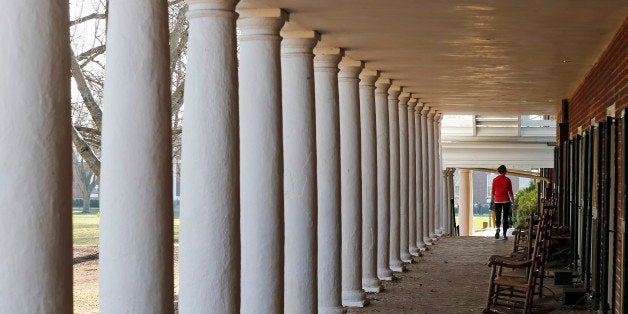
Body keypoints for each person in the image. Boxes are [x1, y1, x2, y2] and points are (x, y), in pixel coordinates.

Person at [491, 165, 514, 240]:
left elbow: (493, 192)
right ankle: (504, 234)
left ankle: (498, 229)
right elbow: (510, 192)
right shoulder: (507, 180)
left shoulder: (495, 180)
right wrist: (513, 202)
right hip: (506, 200)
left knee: (498, 216)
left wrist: (491, 201)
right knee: (505, 217)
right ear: (505, 171)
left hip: (497, 200)